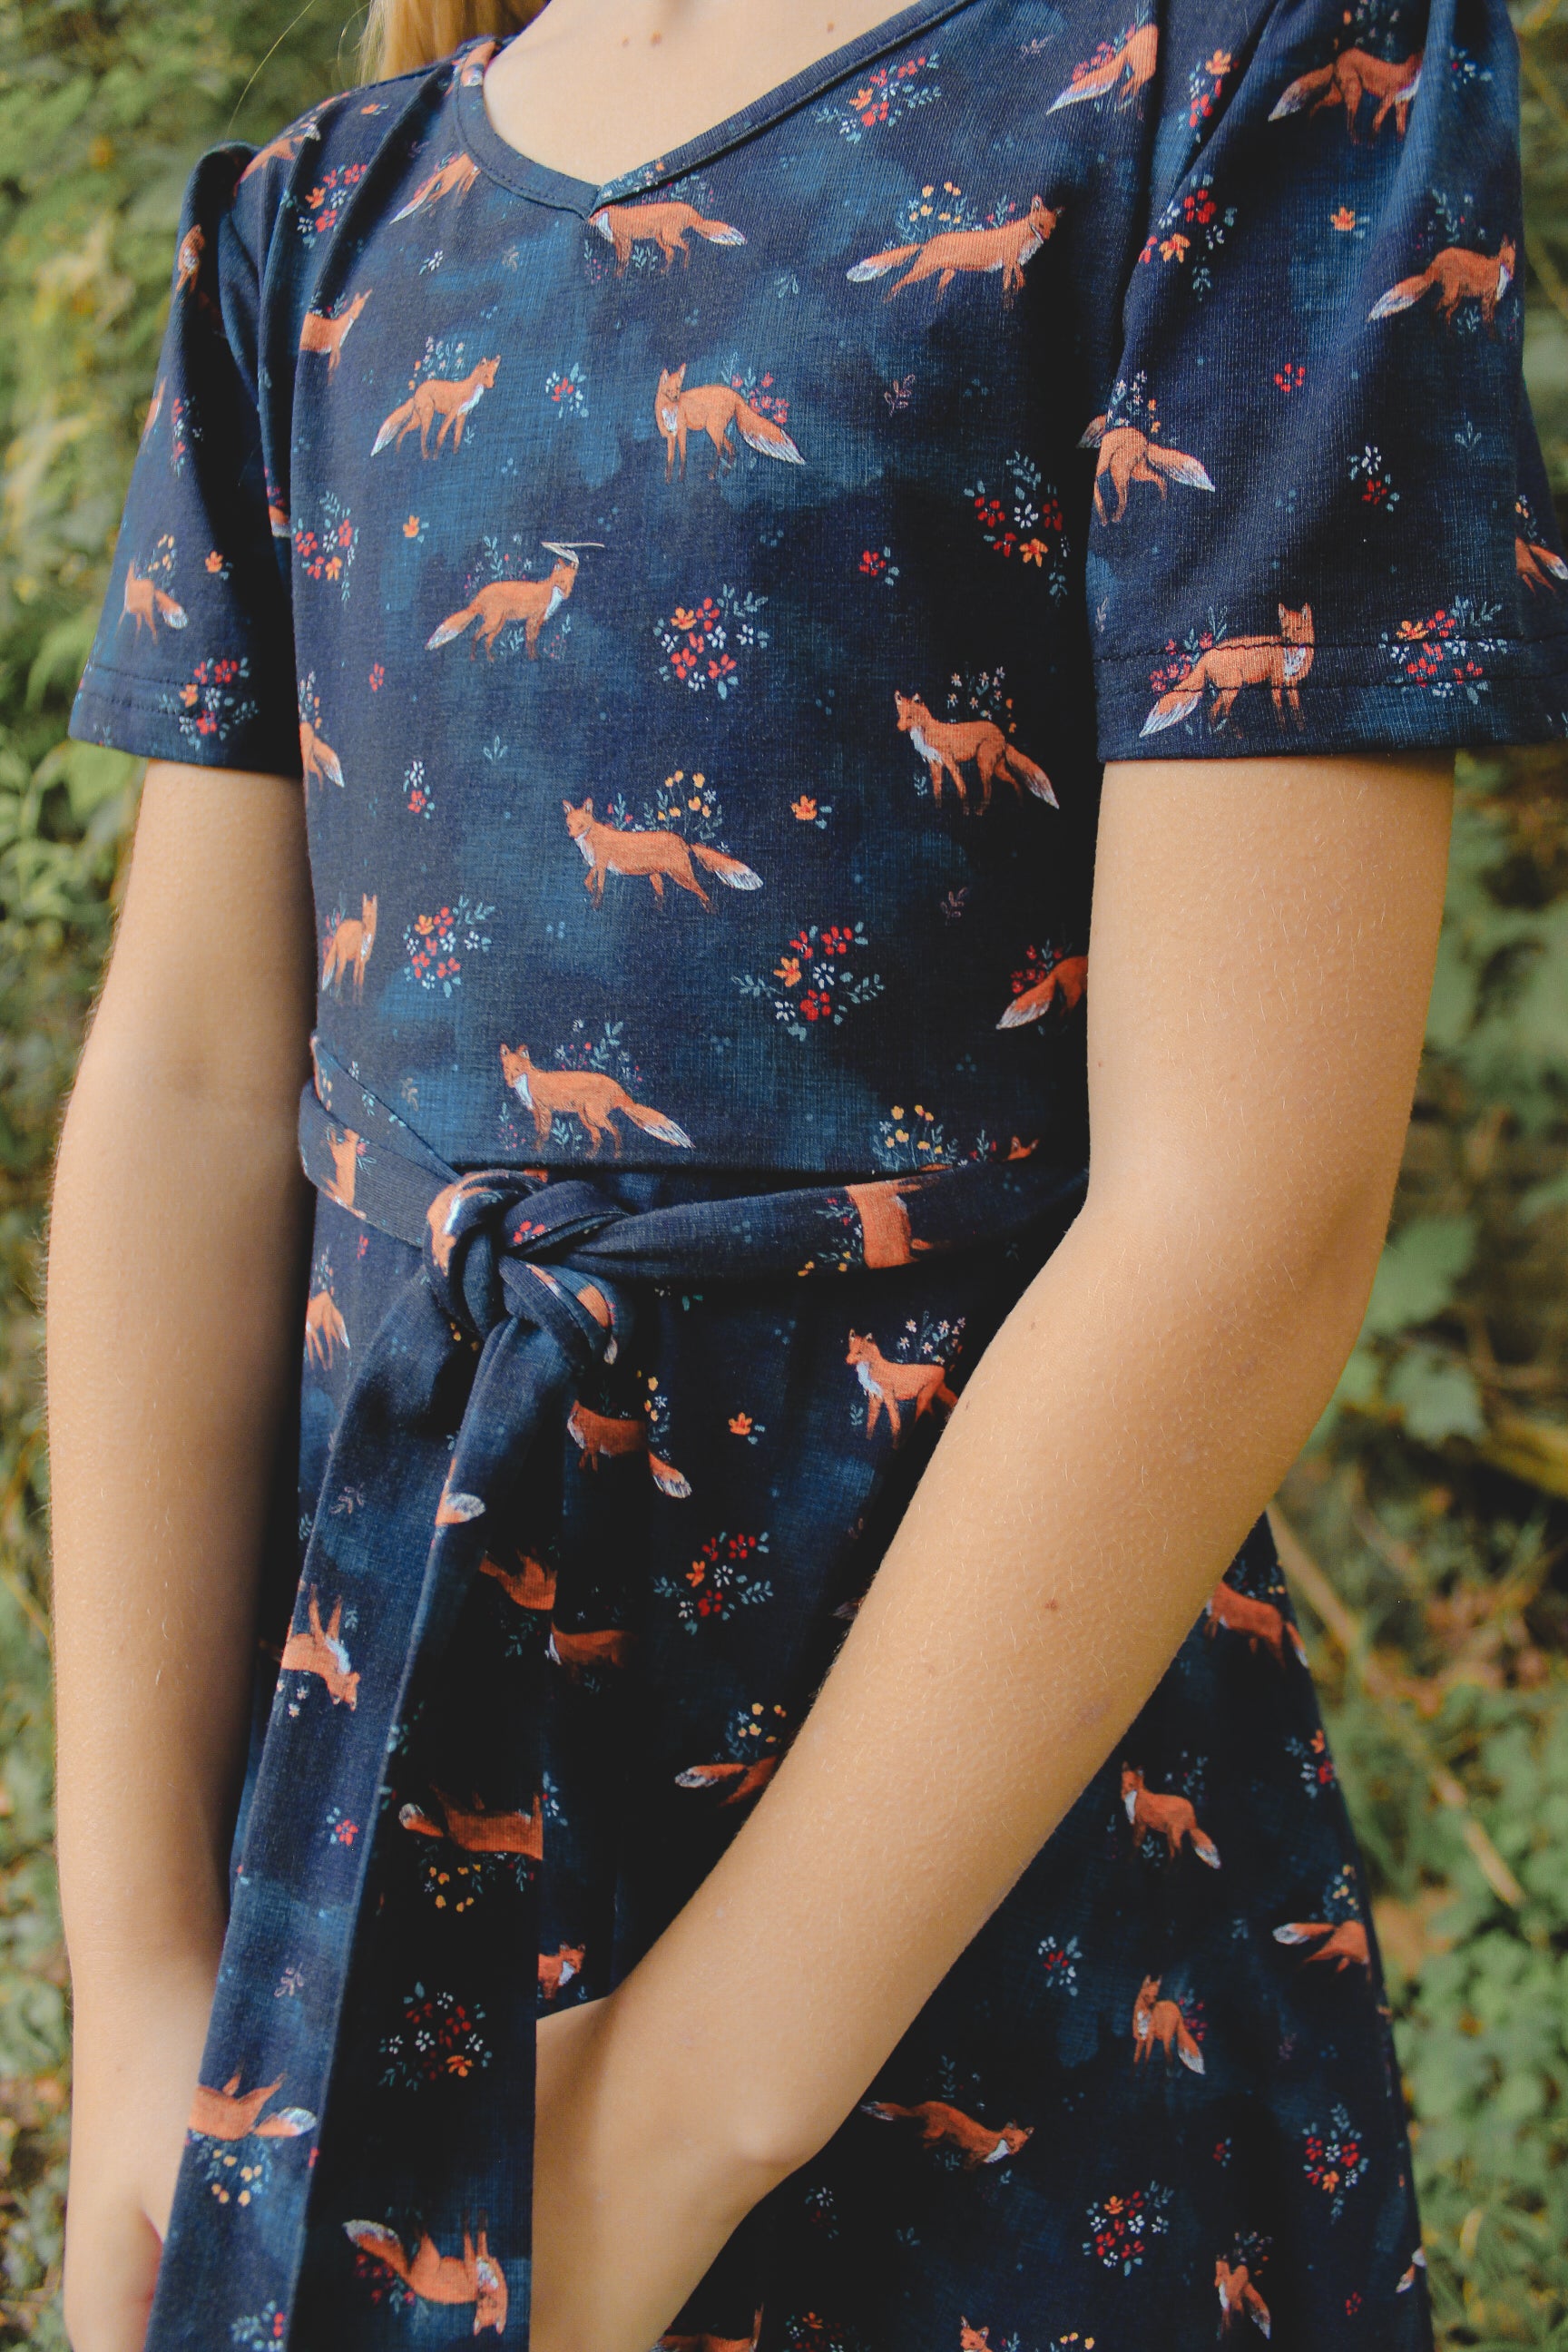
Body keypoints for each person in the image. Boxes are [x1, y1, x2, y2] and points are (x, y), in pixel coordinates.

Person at [45, 0, 1563, 2345]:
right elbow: (188, 1093)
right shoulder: (316, 230)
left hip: (973, 1853)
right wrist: (149, 1993)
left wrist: (661, 2133)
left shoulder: (1228, 73)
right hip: (386, 1819)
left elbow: (1238, 1216)